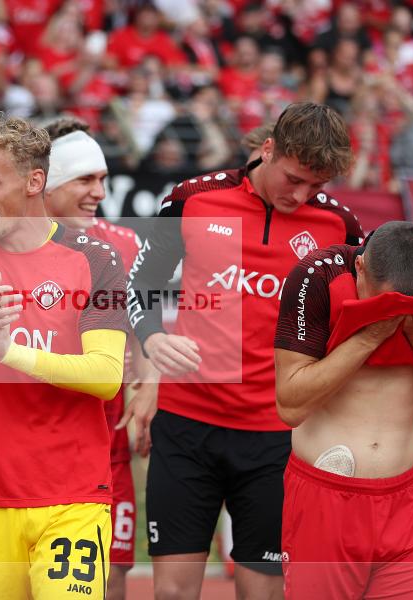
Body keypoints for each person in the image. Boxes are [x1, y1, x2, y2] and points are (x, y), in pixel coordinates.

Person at [122, 102, 364, 600]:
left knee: (262, 594)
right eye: (295, 179)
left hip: (278, 436)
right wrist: (153, 338)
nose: (302, 195)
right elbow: (139, 284)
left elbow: (356, 321)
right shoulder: (194, 198)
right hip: (187, 424)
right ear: (268, 149)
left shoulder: (339, 226)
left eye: (316, 186)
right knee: (172, 593)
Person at [0, 113, 129, 600]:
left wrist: (15, 353)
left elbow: (106, 376)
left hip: (72, 496)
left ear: (35, 182)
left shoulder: (96, 259)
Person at [273, 221, 413, 599]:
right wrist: (371, 333)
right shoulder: (317, 274)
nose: (395, 310)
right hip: (327, 498)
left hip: (407, 500)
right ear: (360, 268)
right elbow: (291, 404)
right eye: (384, 298)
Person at [43, 115, 153, 600]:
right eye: (85, 179)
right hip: (37, 448)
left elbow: (146, 331)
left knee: (111, 576)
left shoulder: (124, 244)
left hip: (106, 447)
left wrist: (148, 385)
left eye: (103, 180)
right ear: (46, 182)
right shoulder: (10, 244)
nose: (99, 193)